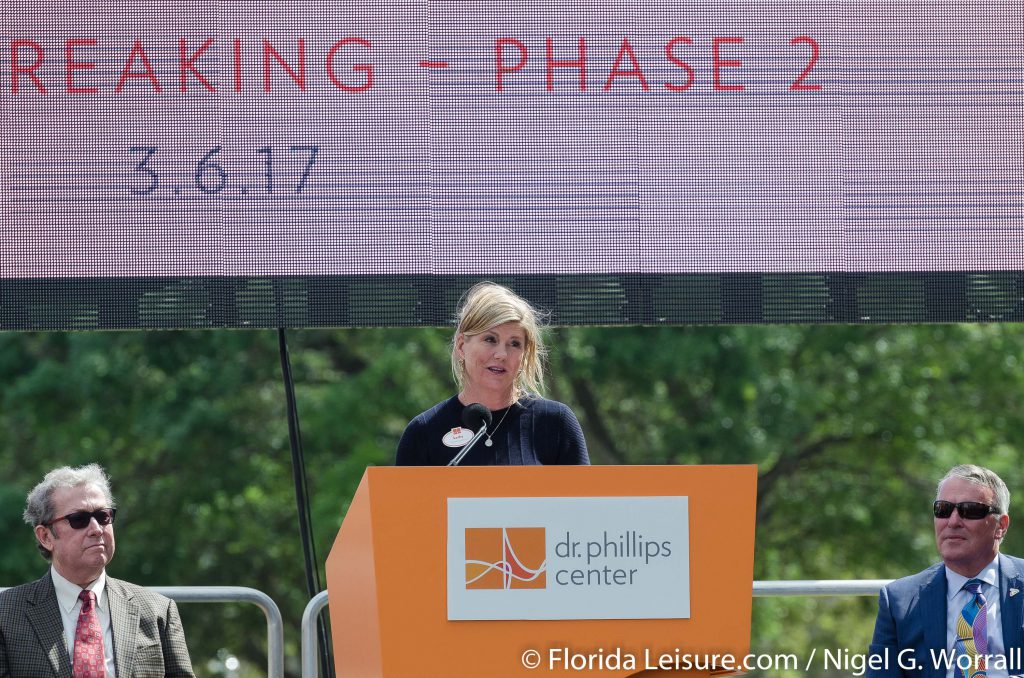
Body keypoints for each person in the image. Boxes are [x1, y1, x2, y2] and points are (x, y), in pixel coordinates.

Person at [0, 464, 195, 677]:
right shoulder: (6, 614)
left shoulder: (158, 610)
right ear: (45, 537)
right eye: (79, 520)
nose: (96, 529)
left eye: (103, 516)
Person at [396, 282, 589, 466]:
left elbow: (586, 500)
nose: (502, 355)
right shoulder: (423, 431)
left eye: (514, 344)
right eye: (490, 339)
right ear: (462, 346)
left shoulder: (556, 423)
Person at [867, 464, 1024, 678]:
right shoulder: (899, 601)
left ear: (1001, 526)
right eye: (943, 509)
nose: (953, 521)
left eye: (970, 510)